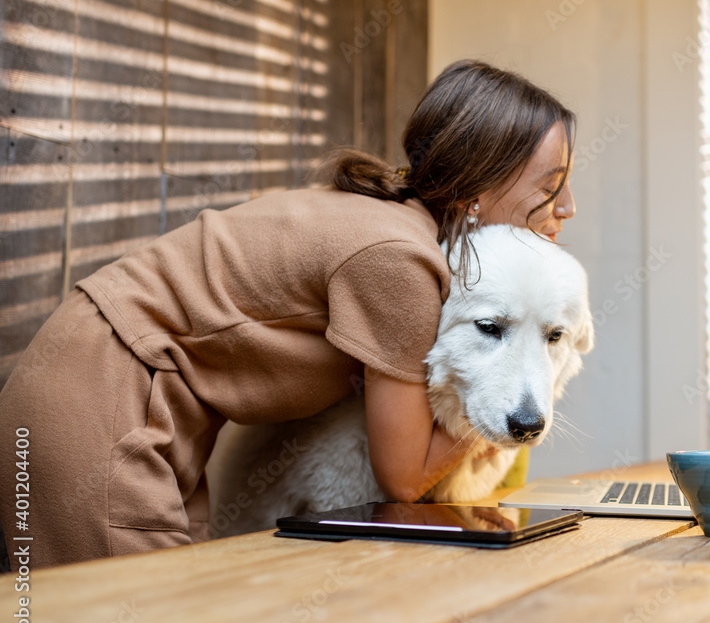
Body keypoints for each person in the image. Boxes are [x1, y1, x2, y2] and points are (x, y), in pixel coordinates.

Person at [0, 59, 576, 568]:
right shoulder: (399, 260)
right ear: (475, 187)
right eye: (552, 188)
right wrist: (510, 412)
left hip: (120, 389)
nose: (567, 208)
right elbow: (403, 476)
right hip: (100, 391)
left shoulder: (394, 223)